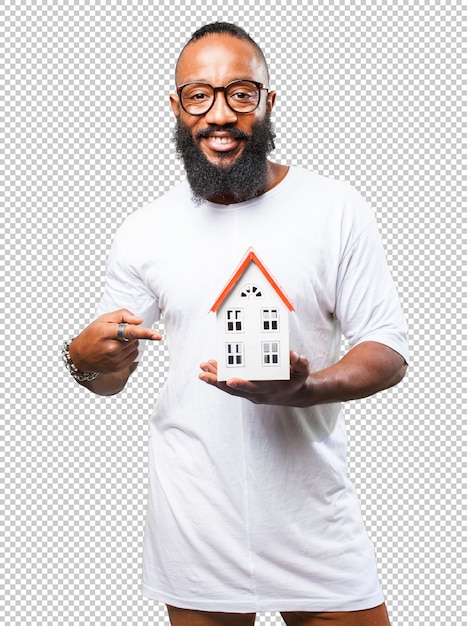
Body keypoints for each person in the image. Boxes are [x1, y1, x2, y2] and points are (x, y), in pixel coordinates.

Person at [62, 22, 408, 626]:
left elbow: (388, 349)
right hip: (195, 525)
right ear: (176, 107)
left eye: (240, 93)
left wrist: (307, 389)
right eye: (198, 95)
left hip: (313, 522)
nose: (219, 114)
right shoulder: (145, 231)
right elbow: (111, 373)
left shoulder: (335, 209)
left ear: (269, 102)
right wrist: (85, 361)